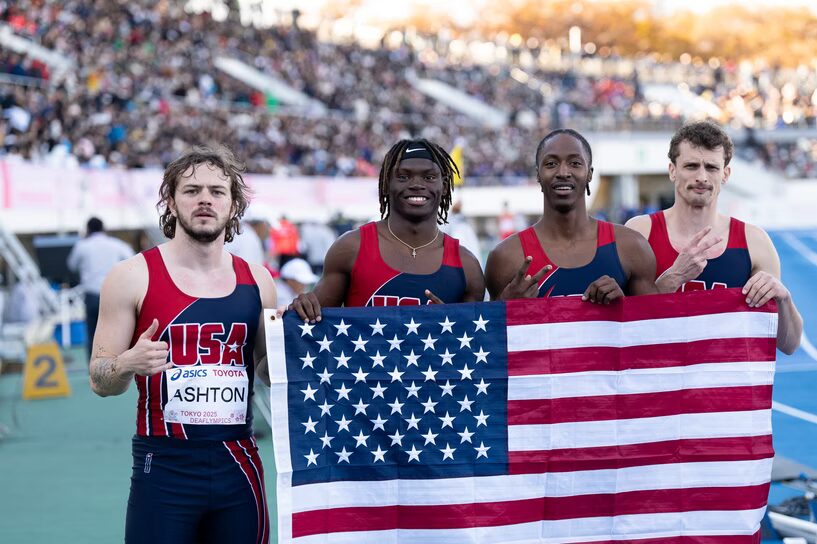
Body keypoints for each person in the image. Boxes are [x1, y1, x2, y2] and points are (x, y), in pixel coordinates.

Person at [88, 145, 276, 544]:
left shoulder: (259, 281)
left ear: (233, 205)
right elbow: (100, 380)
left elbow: (268, 374)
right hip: (164, 468)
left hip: (238, 464)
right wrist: (127, 363)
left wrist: (302, 341)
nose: (205, 199)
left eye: (216, 191)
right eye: (191, 191)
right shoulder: (131, 277)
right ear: (170, 202)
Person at [625, 121, 803, 354]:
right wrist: (673, 278)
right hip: (659, 385)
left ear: (725, 174)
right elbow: (621, 328)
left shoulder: (754, 242)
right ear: (672, 171)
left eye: (711, 167)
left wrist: (783, 300)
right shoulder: (640, 233)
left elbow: (789, 344)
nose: (701, 176)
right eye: (691, 166)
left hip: (725, 387)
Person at [291, 139, 485, 321]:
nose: (417, 185)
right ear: (385, 184)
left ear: (444, 186)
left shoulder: (467, 266)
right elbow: (311, 326)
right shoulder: (350, 249)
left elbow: (477, 345)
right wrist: (302, 308)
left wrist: (450, 327)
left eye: (429, 177)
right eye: (403, 176)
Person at [486, 128, 657, 302]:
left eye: (575, 163)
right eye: (551, 164)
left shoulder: (631, 247)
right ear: (538, 175)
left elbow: (654, 325)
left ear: (590, 173)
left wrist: (624, 308)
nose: (563, 172)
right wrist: (506, 308)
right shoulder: (505, 257)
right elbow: (490, 327)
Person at [67, 217, 134, 358]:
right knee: (116, 332)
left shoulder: (82, 245)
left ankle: (93, 369)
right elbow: (132, 259)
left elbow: (71, 265)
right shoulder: (117, 244)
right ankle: (116, 366)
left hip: (92, 294)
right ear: (104, 229)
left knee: (92, 333)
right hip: (113, 294)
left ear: (88, 229)